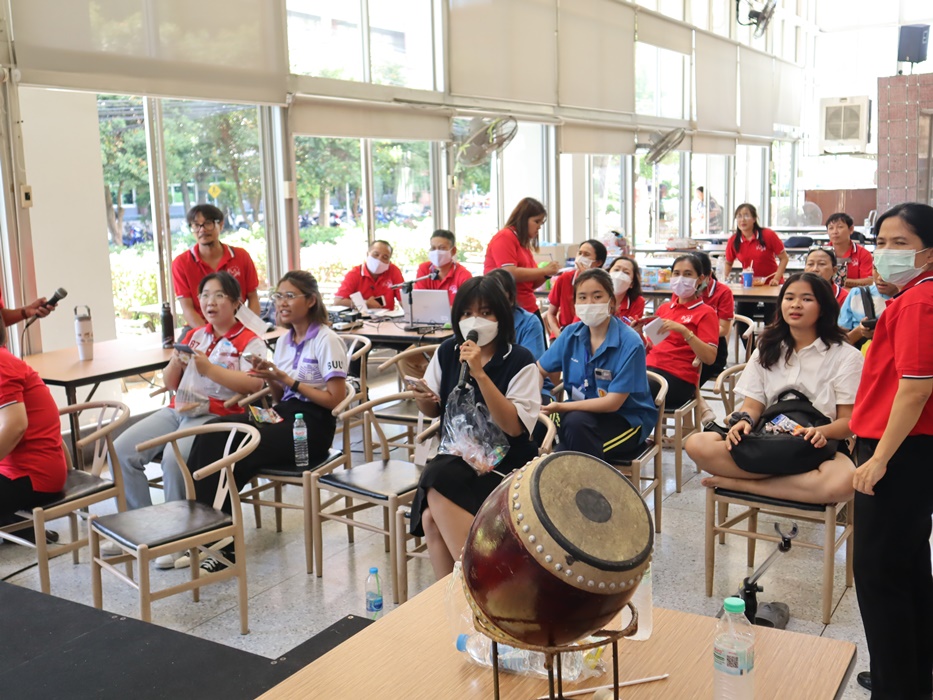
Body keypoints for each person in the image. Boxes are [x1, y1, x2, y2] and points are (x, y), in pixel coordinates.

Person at [187, 270, 349, 572]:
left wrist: (288, 379)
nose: (281, 303)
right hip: (284, 414)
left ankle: (221, 544)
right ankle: (208, 534)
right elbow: (278, 398)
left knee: (237, 448)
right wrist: (271, 376)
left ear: (310, 301)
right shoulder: (285, 340)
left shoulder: (327, 339)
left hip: (313, 427)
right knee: (211, 433)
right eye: (278, 296)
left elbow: (335, 400)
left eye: (290, 296)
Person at [111, 272, 265, 565]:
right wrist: (175, 361)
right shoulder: (195, 336)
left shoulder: (250, 340)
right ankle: (141, 529)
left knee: (174, 460)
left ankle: (178, 538)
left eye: (219, 295)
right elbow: (172, 384)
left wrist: (209, 369)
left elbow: (254, 384)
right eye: (205, 295)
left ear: (236, 302)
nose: (210, 302)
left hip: (215, 414)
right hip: (179, 409)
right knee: (121, 450)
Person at [848, 203, 933, 699]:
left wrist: (879, 459)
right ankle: (911, 676)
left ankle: (896, 687)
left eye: (900, 243)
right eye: (880, 242)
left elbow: (916, 388)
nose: (886, 252)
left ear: (929, 252)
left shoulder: (919, 301)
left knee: (880, 575)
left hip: (898, 451)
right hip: (910, 450)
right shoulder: (913, 296)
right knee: (908, 567)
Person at [686, 272, 862, 504]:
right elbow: (753, 406)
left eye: (807, 299)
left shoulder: (846, 356)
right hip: (767, 440)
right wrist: (744, 421)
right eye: (789, 298)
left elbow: (848, 422)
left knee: (844, 482)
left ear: (824, 308)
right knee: (697, 444)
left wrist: (821, 432)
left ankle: (742, 483)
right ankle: (792, 483)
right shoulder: (767, 348)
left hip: (817, 447)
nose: (796, 305)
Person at [408, 276, 541, 580]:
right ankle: (463, 589)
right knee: (430, 516)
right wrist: (423, 399)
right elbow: (432, 409)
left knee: (436, 477)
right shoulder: (448, 352)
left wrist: (480, 374)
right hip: (459, 459)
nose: (475, 320)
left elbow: (513, 428)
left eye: (485, 312)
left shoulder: (520, 360)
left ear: (501, 316)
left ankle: (481, 579)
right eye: (467, 313)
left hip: (505, 466)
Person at [538, 269, 657, 461]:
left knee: (569, 440)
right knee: (556, 423)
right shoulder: (570, 334)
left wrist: (561, 407)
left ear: (612, 302)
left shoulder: (630, 343)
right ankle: (578, 471)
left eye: (597, 296)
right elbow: (539, 369)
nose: (589, 303)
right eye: (582, 297)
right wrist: (537, 397)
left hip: (625, 420)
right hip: (580, 416)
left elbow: (612, 403)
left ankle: (577, 470)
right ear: (575, 304)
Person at [0, 320, 66, 523]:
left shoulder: (2, 364)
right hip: (15, 470)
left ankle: (24, 530)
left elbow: (15, 426)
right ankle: (25, 531)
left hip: (32, 476)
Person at [643, 255, 719, 408]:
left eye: (688, 274)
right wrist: (638, 333)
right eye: (676, 273)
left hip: (678, 378)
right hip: (648, 369)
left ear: (700, 279)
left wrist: (685, 332)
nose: (680, 279)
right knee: (613, 384)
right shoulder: (664, 308)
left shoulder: (706, 312)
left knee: (635, 392)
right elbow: (650, 347)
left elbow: (709, 357)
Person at [172, 204, 261, 330]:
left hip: (239, 326)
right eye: (196, 225)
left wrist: (248, 329)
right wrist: (211, 336)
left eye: (208, 223)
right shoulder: (181, 263)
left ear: (221, 225)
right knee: (184, 343)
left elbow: (253, 298)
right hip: (200, 328)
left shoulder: (241, 256)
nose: (202, 230)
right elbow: (188, 309)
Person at [484, 197, 558, 331]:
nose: (539, 227)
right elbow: (509, 273)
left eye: (541, 223)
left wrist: (547, 274)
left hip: (527, 307)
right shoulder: (505, 237)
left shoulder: (522, 244)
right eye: (536, 221)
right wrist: (544, 270)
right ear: (523, 219)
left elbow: (531, 284)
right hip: (509, 309)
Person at [725, 203, 788, 337]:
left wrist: (776, 278)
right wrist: (724, 280)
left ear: (754, 219)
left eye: (746, 215)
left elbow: (784, 258)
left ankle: (768, 349)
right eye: (739, 216)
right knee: (742, 322)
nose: (742, 220)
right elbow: (728, 262)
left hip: (771, 285)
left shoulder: (767, 235)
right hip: (748, 285)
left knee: (772, 323)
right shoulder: (734, 240)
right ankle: (753, 349)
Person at [694, 251, 735, 425]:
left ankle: (696, 412)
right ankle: (701, 406)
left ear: (707, 275)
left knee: (682, 377)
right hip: (685, 347)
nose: (688, 280)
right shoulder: (684, 291)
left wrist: (692, 333)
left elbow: (724, 329)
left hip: (713, 349)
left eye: (694, 276)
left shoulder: (723, 292)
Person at [544, 239, 607, 338]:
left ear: (598, 262)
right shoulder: (564, 278)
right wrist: (559, 335)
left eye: (586, 255)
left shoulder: (602, 284)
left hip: (588, 334)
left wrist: (587, 280)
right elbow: (551, 314)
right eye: (580, 253)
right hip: (561, 333)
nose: (581, 257)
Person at [486, 269, 545, 359]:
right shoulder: (479, 320)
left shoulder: (529, 323)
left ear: (511, 298)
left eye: (499, 296)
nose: (493, 301)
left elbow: (531, 362)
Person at [333, 240, 404, 311]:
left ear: (389, 260)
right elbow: (338, 301)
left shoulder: (393, 271)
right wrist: (364, 303)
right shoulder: (354, 274)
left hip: (388, 316)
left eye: (385, 257)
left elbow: (403, 299)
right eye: (376, 254)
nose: (379, 259)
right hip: (362, 316)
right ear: (368, 254)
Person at [838, 270, 896, 348]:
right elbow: (839, 343)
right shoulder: (857, 294)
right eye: (876, 269)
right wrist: (860, 331)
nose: (880, 278)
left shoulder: (909, 300)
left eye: (888, 270)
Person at [413, 229, 472, 305]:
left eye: (442, 248)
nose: (436, 252)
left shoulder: (463, 275)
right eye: (433, 248)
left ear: (453, 251)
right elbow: (419, 302)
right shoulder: (424, 269)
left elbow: (467, 307)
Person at [825, 212, 873, 288]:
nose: (835, 232)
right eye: (831, 228)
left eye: (840, 227)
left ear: (851, 229)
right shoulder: (821, 253)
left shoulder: (863, 254)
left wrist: (840, 280)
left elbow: (869, 281)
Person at [607, 256, 646, 324]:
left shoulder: (637, 302)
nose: (619, 275)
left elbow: (632, 328)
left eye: (626, 272)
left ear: (632, 283)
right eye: (616, 270)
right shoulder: (595, 296)